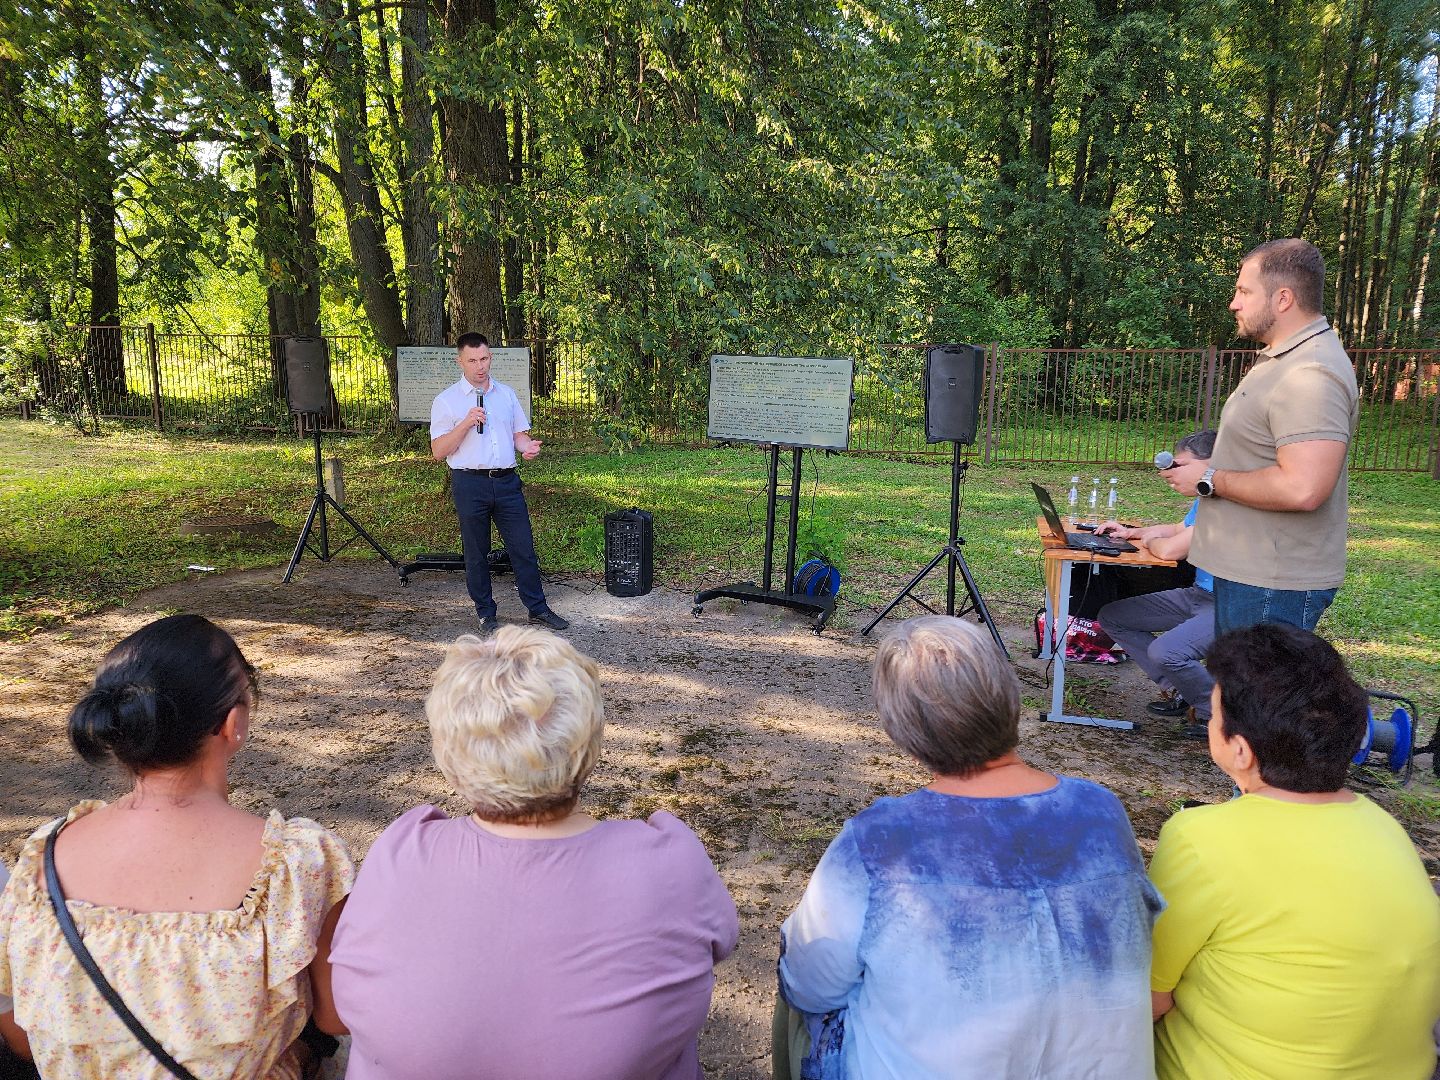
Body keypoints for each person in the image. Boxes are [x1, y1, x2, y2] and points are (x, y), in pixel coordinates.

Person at [325, 626, 738, 1080]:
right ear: (587, 745)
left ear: (449, 751)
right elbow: (720, 942)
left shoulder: (400, 852)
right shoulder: (669, 862)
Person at [777, 616, 1161, 1079]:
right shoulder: (1102, 810)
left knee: (797, 1002)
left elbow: (810, 985)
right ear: (1007, 696)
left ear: (901, 728)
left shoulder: (880, 841)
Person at [0, 614, 354, 1079]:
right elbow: (336, 1016)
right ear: (234, 723)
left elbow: (23, 1034)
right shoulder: (299, 863)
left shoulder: (40, 861)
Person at [1149, 624, 1440, 1079]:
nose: (1209, 722)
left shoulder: (1201, 837)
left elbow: (1149, 997)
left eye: (1212, 715)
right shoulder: (1385, 828)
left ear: (1240, 751)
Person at [1164, 238, 1358, 634]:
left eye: (1243, 291)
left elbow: (1303, 488)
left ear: (1283, 298)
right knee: (1237, 694)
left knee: (1257, 697)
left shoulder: (1310, 373)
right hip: (1250, 574)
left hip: (1272, 583)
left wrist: (1209, 480)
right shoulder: (1281, 359)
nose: (1234, 303)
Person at [430, 331, 569, 634]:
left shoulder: (505, 394)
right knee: (476, 552)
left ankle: (537, 608)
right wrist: (466, 423)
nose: (479, 366)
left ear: (490, 357)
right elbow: (439, 451)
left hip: (506, 482)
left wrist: (527, 447)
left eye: (484, 358)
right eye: (472, 360)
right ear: (460, 362)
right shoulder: (447, 401)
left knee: (523, 547)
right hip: (470, 483)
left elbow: (518, 434)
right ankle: (486, 613)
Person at [1097, 429, 1217, 737]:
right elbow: (1179, 528)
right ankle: (1180, 690)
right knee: (1114, 617)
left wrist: (1150, 540)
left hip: (1226, 603)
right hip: (1199, 593)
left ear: (1214, 462)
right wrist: (1131, 532)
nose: (1168, 472)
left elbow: (1172, 549)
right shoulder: (1206, 498)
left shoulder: (1226, 505)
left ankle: (1215, 713)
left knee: (1167, 652)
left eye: (1179, 464)